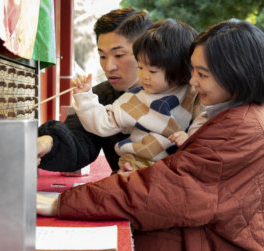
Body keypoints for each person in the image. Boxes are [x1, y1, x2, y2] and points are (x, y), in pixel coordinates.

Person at [38, 19, 264, 251]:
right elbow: (84, 133)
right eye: (101, 56)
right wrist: (50, 141)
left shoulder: (233, 123)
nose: (194, 81)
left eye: (202, 74)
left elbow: (167, 189)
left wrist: (63, 203)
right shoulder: (231, 110)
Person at [71, 19, 198, 170]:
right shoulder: (134, 99)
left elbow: (207, 125)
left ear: (180, 69)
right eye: (140, 67)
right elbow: (102, 123)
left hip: (177, 166)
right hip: (138, 163)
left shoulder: (195, 94)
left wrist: (192, 139)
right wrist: (85, 97)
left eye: (152, 71)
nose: (144, 76)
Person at [37, 8, 152, 172]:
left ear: (146, 53)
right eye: (103, 56)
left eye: (119, 55)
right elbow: (78, 138)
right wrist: (47, 142)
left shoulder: (180, 94)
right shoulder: (99, 96)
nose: (108, 67)